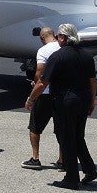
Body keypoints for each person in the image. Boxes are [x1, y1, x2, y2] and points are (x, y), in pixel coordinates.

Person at [25, 23, 97, 190]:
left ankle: (71, 178)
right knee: (78, 137)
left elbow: (43, 82)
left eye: (59, 36)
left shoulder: (57, 57)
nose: (57, 39)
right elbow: (93, 81)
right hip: (83, 100)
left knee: (67, 139)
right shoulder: (87, 56)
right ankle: (90, 170)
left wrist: (31, 98)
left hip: (65, 102)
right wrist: (92, 101)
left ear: (63, 37)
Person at [21, 27, 63, 170]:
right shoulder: (62, 47)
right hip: (60, 94)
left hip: (45, 94)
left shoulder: (43, 51)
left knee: (35, 128)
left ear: (41, 38)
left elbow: (39, 73)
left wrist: (32, 95)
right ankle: (62, 160)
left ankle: (35, 158)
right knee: (61, 129)